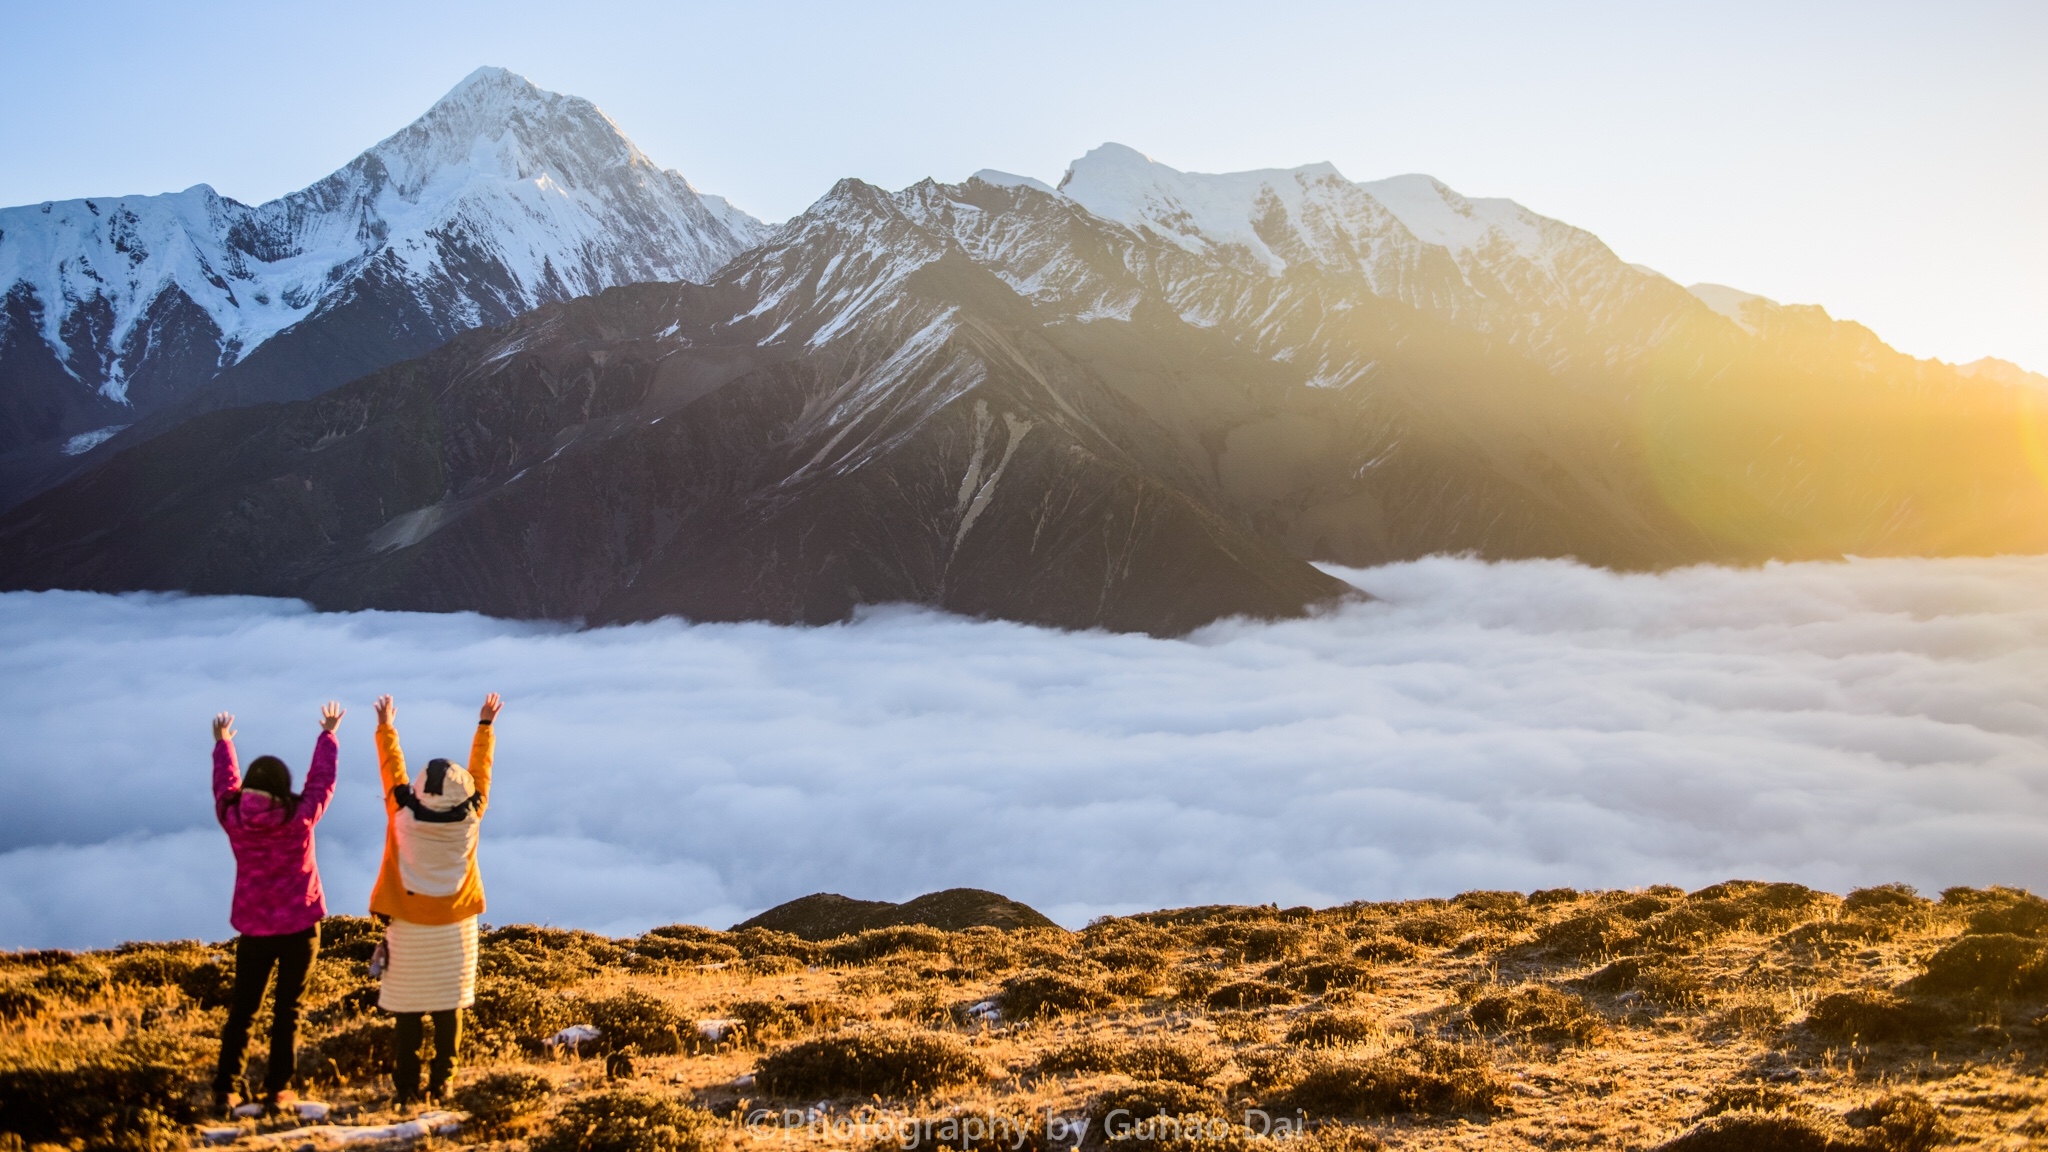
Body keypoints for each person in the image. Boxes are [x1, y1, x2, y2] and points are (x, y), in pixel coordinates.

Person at [210, 701, 343, 1115]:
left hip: (253, 929)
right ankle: (278, 1088)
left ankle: (227, 1090)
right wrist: (328, 735)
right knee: (289, 1010)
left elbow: (224, 786)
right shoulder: (298, 818)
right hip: (300, 925)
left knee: (243, 1010)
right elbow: (322, 783)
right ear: (282, 789)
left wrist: (223, 744)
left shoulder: (233, 817)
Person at [369, 691, 499, 1106]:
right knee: (449, 1009)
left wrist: (387, 727)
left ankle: (406, 1088)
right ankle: (442, 1082)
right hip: (455, 927)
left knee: (407, 1013)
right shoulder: (472, 815)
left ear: (421, 790)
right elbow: (482, 771)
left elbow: (392, 770)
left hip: (407, 926)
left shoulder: (402, 815)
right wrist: (485, 726)